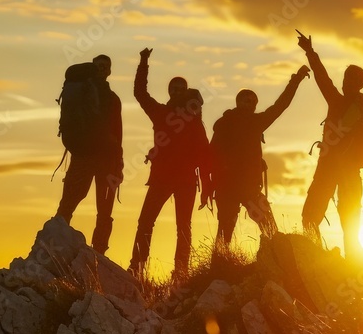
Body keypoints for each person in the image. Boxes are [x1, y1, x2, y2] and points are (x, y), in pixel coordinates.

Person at [129, 47, 213, 280]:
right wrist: (143, 61)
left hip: (180, 180)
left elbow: (204, 155)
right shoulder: (162, 112)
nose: (176, 92)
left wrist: (207, 188)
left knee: (180, 228)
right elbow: (139, 92)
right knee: (148, 223)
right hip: (166, 179)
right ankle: (137, 268)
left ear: (186, 92)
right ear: (169, 91)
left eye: (180, 89)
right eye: (173, 88)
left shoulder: (192, 121)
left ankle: (179, 273)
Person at [296, 31, 363, 259]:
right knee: (350, 218)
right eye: (345, 78)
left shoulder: (338, 101)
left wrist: (310, 52)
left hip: (331, 165)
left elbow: (322, 79)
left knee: (310, 215)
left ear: (357, 83)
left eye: (348, 79)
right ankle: (353, 261)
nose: (344, 82)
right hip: (352, 170)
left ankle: (315, 259)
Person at [210, 65, 310, 246]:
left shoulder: (235, 122)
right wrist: (296, 79)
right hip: (233, 186)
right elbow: (280, 106)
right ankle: (275, 257)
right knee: (255, 227)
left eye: (252, 102)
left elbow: (280, 106)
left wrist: (296, 80)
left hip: (238, 186)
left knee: (231, 230)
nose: (249, 105)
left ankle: (271, 257)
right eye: (246, 101)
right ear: (238, 102)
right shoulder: (242, 123)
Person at [55, 54, 123, 254]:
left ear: (109, 71)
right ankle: (98, 254)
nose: (102, 69)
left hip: (83, 154)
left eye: (104, 66)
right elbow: (117, 134)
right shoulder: (110, 98)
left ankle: (54, 243)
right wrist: (118, 162)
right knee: (102, 210)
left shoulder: (88, 94)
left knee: (70, 202)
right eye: (99, 66)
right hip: (102, 158)